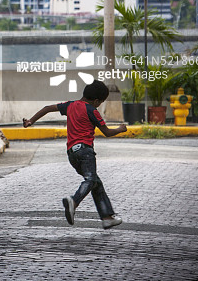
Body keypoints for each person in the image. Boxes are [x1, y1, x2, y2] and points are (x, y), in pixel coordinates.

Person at [23, 79, 127, 230]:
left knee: (96, 183)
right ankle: (74, 201)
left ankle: (107, 217)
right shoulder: (92, 111)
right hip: (85, 152)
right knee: (90, 180)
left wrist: (31, 121)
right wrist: (120, 129)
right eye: (100, 102)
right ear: (97, 100)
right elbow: (107, 132)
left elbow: (47, 108)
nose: (99, 105)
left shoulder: (70, 105)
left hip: (72, 154)